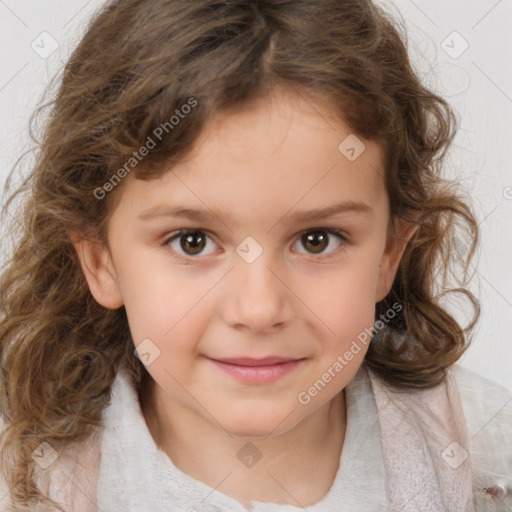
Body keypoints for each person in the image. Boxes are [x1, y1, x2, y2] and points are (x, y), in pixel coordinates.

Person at [0, 0, 511, 510]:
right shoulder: (23, 478)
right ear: (100, 261)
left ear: (388, 255)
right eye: (192, 241)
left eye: (317, 240)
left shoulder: (488, 459)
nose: (259, 309)